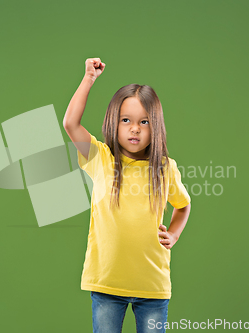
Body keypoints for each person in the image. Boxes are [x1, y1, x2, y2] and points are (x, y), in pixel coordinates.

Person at [63, 58, 192, 333]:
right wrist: (88, 79)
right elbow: (70, 123)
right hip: (107, 283)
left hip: (153, 287)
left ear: (155, 125)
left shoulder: (165, 168)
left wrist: (174, 234)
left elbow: (183, 206)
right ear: (114, 122)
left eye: (144, 121)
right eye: (126, 120)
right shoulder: (100, 158)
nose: (135, 128)